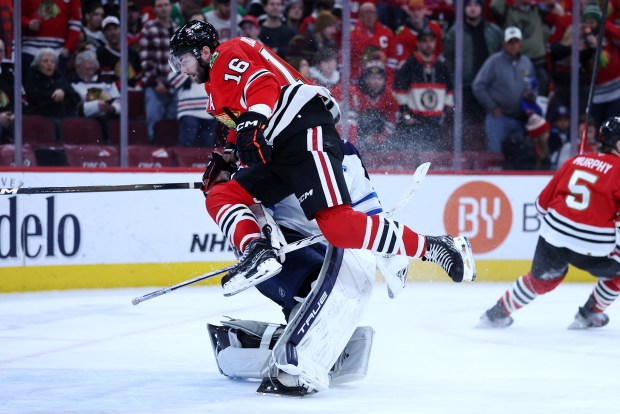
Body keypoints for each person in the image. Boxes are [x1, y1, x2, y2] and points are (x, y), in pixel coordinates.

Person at [168, 20, 474, 299]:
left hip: (302, 128)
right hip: (278, 148)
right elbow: (246, 117)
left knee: (338, 226)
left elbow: (261, 84)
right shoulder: (214, 85)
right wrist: (226, 156)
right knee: (221, 193)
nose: (183, 69)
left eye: (184, 60)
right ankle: (257, 250)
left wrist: (251, 125)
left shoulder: (225, 55)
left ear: (204, 51)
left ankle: (434, 247)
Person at [479, 116, 620, 330]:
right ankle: (589, 313)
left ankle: (495, 315)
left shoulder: (574, 161)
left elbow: (541, 206)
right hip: (593, 248)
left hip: (554, 236)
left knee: (540, 280)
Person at [472, 26, 536, 153]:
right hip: (498, 119)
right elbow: (478, 85)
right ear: (504, 44)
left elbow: (533, 84)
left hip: (520, 118)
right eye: (510, 42)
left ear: (520, 43)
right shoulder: (494, 61)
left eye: (516, 42)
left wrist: (531, 97)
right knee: (495, 155)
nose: (513, 45)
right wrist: (492, 106)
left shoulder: (526, 62)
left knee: (518, 155)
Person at [392, 27, 453, 151]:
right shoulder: (409, 65)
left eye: (431, 41)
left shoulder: (441, 67)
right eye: (424, 41)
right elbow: (398, 91)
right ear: (418, 43)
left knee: (436, 158)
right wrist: (406, 114)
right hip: (415, 122)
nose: (428, 44)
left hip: (436, 122)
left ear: (435, 42)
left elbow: (449, 92)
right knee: (414, 155)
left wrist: (446, 113)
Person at [139, 0, 177, 142]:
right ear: (154, 9)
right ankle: (152, 159)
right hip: (156, 87)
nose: (163, 8)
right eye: (160, 6)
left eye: (166, 5)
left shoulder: (177, 28)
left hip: (175, 86)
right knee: (154, 127)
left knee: (172, 127)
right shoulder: (148, 28)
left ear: (170, 7)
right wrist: (156, 83)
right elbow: (145, 60)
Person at [96, 16, 142, 89]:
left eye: (115, 29)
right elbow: (101, 78)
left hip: (132, 92)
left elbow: (139, 77)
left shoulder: (133, 54)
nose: (113, 33)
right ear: (104, 33)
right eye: (109, 30)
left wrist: (138, 87)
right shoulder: (99, 53)